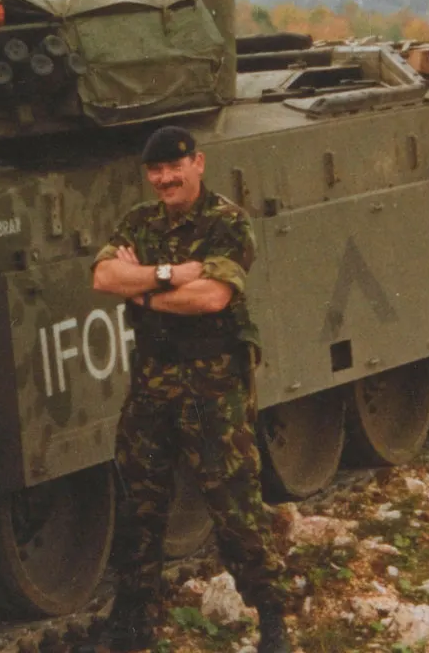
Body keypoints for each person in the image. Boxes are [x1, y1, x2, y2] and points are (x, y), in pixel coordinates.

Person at [84, 127, 291, 653]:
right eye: (155, 171)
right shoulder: (140, 221)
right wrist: (171, 273)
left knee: (234, 506)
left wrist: (145, 293)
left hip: (214, 387)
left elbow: (212, 297)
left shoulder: (226, 223)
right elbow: (105, 278)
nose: (165, 179)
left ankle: (272, 621)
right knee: (140, 508)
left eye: (175, 168)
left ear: (197, 164)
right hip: (152, 385)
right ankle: (132, 625)